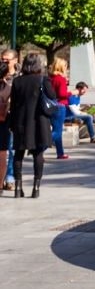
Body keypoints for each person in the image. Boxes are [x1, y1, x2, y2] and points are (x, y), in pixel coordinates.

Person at [9, 53, 54, 198]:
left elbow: (14, 104)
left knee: (18, 154)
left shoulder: (17, 81)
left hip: (21, 121)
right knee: (38, 154)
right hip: (39, 121)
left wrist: (12, 123)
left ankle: (18, 187)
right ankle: (36, 188)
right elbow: (52, 97)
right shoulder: (43, 80)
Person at [47, 58, 72, 160]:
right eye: (65, 66)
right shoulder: (60, 79)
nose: (66, 68)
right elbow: (62, 94)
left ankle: (60, 152)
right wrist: (71, 93)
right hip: (60, 105)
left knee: (57, 129)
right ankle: (40, 148)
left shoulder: (51, 78)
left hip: (52, 105)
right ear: (62, 67)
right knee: (57, 131)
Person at [0, 49, 17, 193]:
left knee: (10, 149)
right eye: (2, 59)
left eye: (7, 60)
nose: (4, 62)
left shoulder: (18, 77)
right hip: (2, 117)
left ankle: (9, 178)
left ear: (15, 60)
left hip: (12, 118)